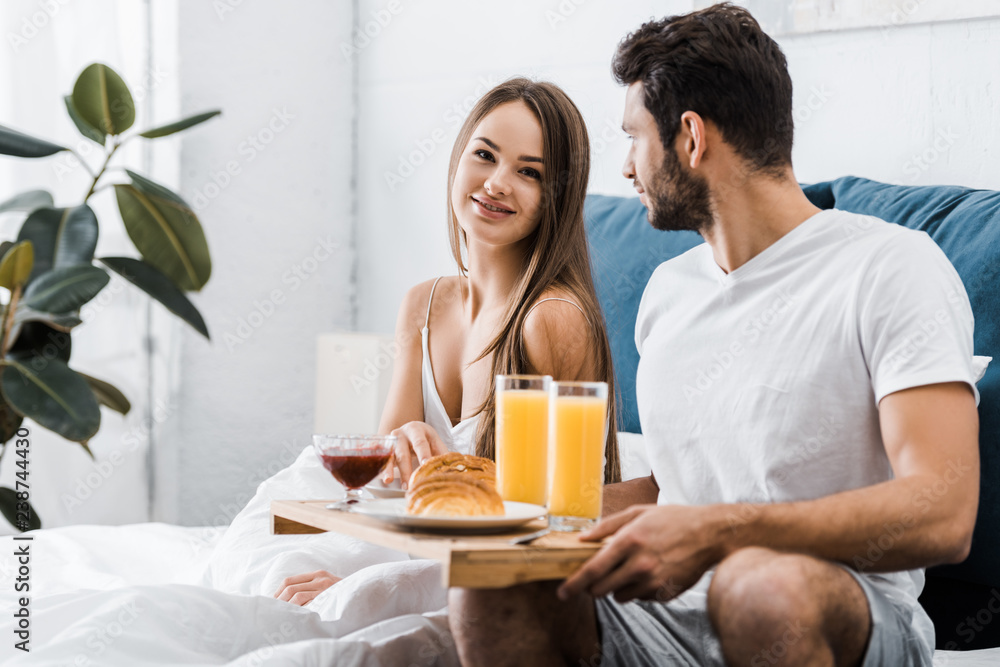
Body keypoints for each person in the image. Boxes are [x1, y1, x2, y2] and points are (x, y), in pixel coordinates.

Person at [449, 5, 980, 666]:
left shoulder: (890, 267)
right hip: (668, 618)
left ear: (691, 139)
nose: (624, 168)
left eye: (634, 137)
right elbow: (680, 487)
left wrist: (718, 532)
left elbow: (944, 508)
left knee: (758, 583)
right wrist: (517, 517)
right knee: (493, 574)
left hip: (835, 607)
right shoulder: (671, 293)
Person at [275, 77, 622, 606]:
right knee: (268, 559)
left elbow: (552, 527)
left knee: (317, 606)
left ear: (558, 196)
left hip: (493, 575)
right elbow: (387, 493)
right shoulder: (425, 304)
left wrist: (366, 585)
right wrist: (405, 439)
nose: (498, 182)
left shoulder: (551, 318)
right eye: (485, 155)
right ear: (459, 160)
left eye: (529, 172)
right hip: (410, 541)